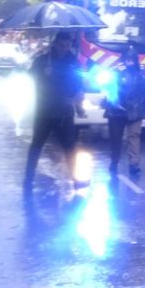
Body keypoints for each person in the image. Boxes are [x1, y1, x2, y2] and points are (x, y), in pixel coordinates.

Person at [24, 32, 86, 197]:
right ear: (55, 43)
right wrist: (43, 75)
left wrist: (76, 99)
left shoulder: (72, 62)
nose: (64, 49)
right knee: (36, 145)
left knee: (70, 147)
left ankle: (76, 180)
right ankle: (28, 179)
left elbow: (78, 83)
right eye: (61, 45)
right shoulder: (43, 60)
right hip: (43, 111)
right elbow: (29, 77)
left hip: (64, 112)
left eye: (67, 46)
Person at [103, 47, 145, 179]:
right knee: (115, 139)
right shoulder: (115, 72)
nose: (129, 62)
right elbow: (108, 90)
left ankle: (134, 164)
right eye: (127, 59)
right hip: (117, 111)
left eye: (132, 59)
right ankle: (114, 161)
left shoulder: (141, 74)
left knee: (134, 137)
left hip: (135, 111)